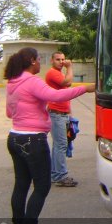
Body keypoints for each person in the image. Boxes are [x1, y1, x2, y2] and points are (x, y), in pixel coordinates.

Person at [5, 47, 94, 224]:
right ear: (31, 61)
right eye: (39, 60)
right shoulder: (31, 81)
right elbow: (56, 96)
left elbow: (9, 113)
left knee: (21, 185)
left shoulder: (13, 82)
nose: (40, 63)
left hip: (14, 137)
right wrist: (85, 88)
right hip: (33, 140)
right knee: (42, 186)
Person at [45, 52, 77, 187]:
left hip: (62, 114)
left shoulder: (58, 73)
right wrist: (69, 67)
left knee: (59, 145)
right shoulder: (53, 73)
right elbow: (67, 82)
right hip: (56, 114)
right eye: (58, 59)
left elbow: (66, 90)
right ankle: (60, 176)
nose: (61, 62)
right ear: (52, 60)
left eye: (63, 59)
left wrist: (70, 114)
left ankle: (55, 173)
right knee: (61, 145)